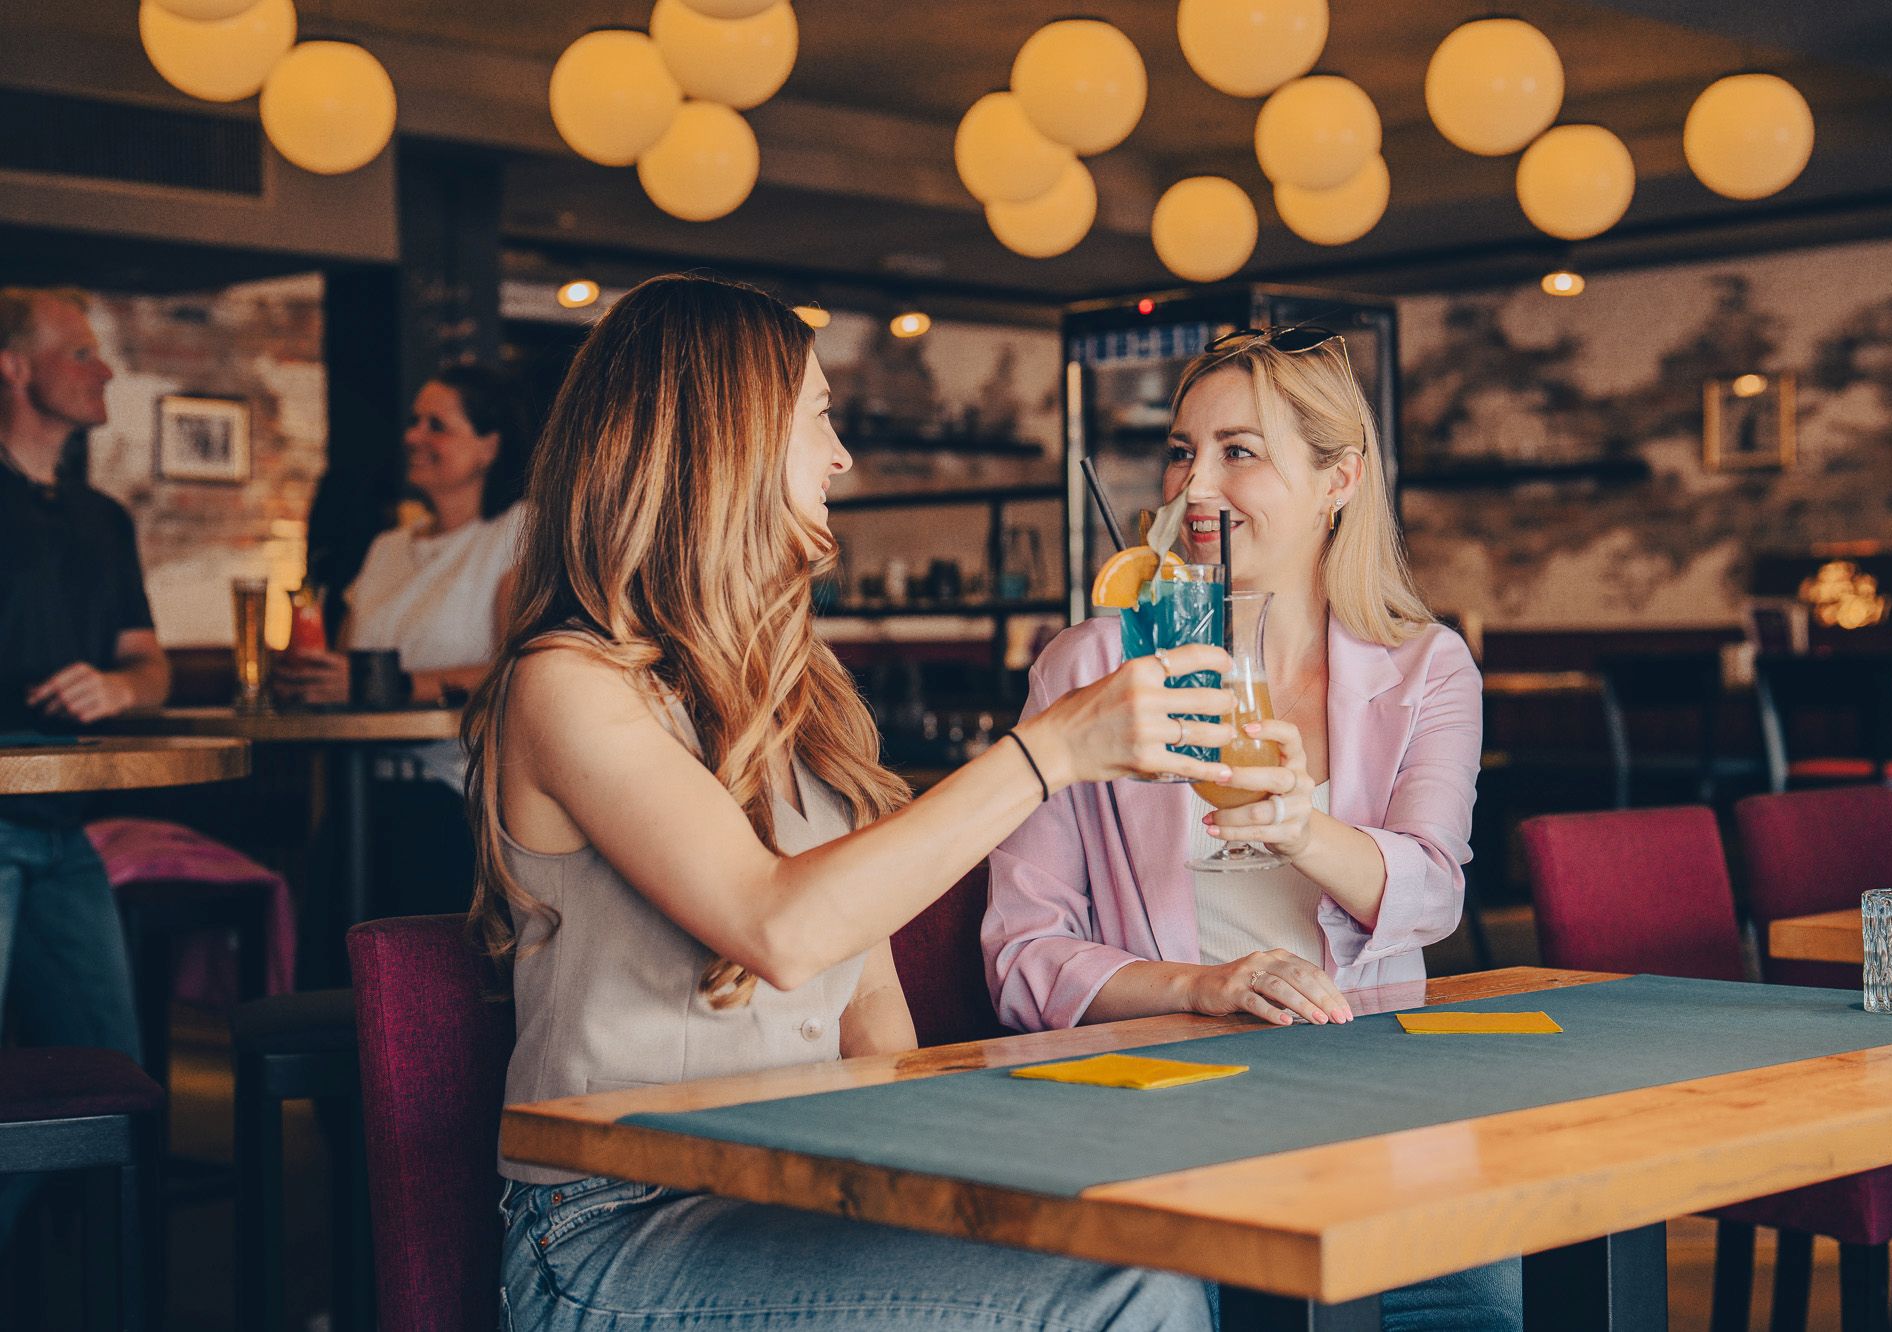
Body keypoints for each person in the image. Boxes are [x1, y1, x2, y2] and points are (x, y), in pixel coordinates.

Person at [476, 274, 1234, 1329]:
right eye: (819, 421)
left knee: (1138, 1240)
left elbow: (865, 1007)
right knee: (1127, 1290)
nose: (840, 457)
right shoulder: (569, 685)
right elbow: (781, 926)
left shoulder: (801, 689)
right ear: (722, 443)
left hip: (798, 1186)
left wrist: (967, 1169)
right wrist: (1050, 751)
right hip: (614, 1228)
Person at [983, 328, 1515, 1329]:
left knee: (1485, 1303)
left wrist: (1300, 827)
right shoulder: (1088, 667)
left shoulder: (1423, 667)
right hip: (1157, 1109)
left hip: (1374, 1105)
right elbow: (1021, 953)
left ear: (1336, 480)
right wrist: (1205, 988)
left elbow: (1434, 892)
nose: (1194, 488)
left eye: (1238, 452)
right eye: (1182, 451)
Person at [0, 285, 163, 1243]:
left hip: (66, 829)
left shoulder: (104, 518)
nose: (103, 370)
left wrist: (117, 686)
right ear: (13, 368)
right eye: (78, 354)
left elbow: (146, 663)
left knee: (117, 1087)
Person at [275, 363, 531, 912]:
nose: (414, 436)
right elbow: (343, 665)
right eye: (414, 422)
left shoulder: (517, 533)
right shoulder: (386, 548)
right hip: (358, 791)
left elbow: (521, 668)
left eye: (436, 425)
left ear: (488, 446)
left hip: (454, 802)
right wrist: (310, 677)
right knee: (332, 974)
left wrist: (386, 683)